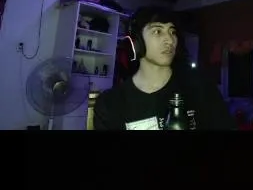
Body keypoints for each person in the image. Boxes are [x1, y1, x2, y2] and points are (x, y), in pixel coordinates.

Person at [93, 7, 235, 130]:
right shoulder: (110, 103)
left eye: (172, 32)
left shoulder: (201, 88)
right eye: (157, 31)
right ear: (136, 42)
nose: (170, 40)